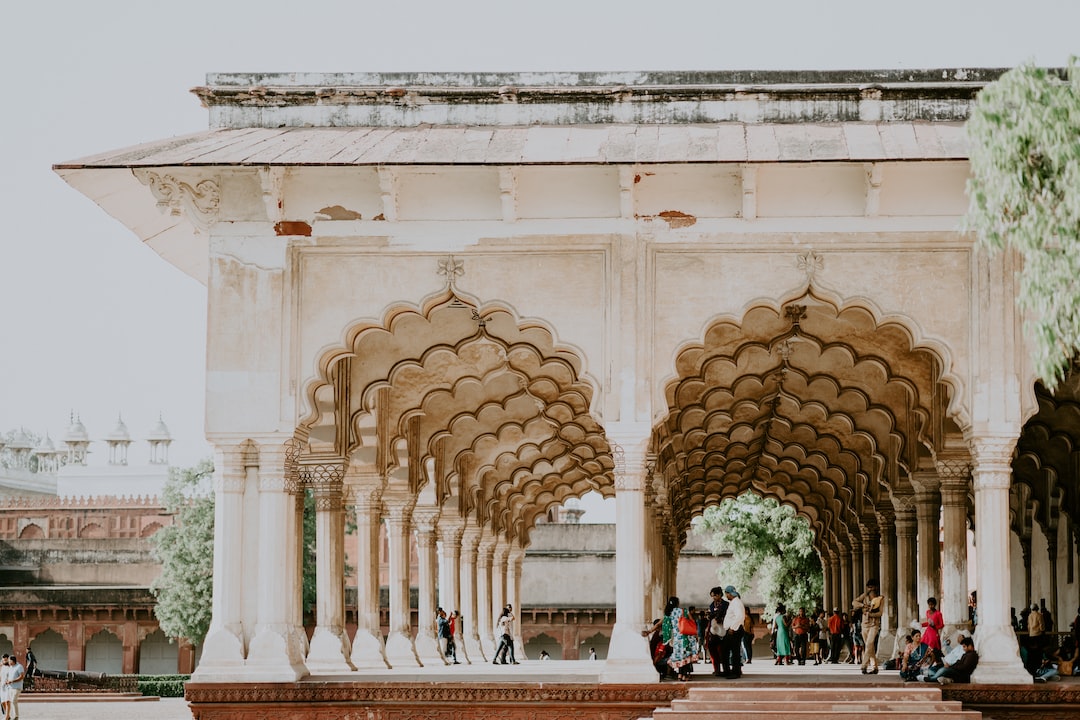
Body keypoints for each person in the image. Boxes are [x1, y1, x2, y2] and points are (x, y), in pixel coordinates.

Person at [853, 579, 883, 674]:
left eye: (872, 587)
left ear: (876, 587)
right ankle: (875, 667)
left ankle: (864, 665)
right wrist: (863, 605)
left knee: (869, 643)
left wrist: (871, 614)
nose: (870, 589)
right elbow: (854, 602)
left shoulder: (880, 599)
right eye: (869, 587)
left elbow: (880, 613)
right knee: (869, 646)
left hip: (874, 624)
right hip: (864, 625)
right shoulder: (864, 596)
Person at [721, 585, 746, 679]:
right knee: (726, 651)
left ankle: (736, 672)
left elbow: (739, 616)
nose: (726, 596)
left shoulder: (736, 603)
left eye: (726, 594)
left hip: (734, 630)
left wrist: (732, 628)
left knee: (734, 652)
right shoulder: (734, 602)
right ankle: (728, 670)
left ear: (729, 593)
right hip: (732, 629)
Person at [705, 586, 729, 676]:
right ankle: (717, 669)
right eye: (712, 596)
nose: (713, 598)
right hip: (714, 630)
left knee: (723, 651)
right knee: (712, 649)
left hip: (723, 629)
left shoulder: (726, 604)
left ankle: (726, 670)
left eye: (714, 596)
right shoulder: (712, 605)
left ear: (719, 595)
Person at [5, 652, 25, 720]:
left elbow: (22, 676)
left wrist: (12, 681)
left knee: (13, 700)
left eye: (9, 660)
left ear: (12, 661)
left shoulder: (19, 666)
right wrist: (7, 681)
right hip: (10, 687)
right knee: (11, 701)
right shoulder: (10, 667)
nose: (8, 661)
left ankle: (16, 716)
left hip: (17, 687)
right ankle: (11, 716)